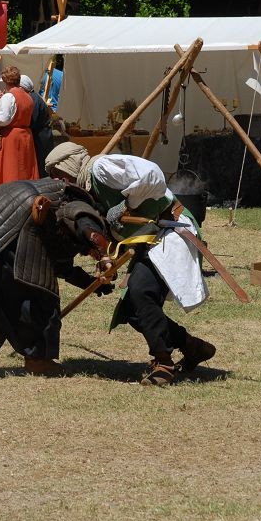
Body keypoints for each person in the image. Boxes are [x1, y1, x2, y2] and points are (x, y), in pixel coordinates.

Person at [45, 142, 216, 386]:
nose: (58, 180)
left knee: (140, 291)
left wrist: (127, 205)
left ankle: (164, 363)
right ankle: (192, 346)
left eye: (57, 173)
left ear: (69, 165)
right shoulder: (87, 188)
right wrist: (107, 259)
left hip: (170, 230)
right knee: (133, 311)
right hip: (149, 239)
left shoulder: (101, 168)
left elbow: (152, 174)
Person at [0, 178, 115, 384]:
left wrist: (90, 283)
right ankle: (38, 360)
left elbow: (62, 266)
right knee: (37, 301)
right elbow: (86, 225)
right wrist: (104, 256)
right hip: (16, 235)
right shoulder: (81, 204)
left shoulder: (59, 200)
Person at [0, 66, 38, 186]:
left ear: (5, 81)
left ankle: (10, 193)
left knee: (12, 169)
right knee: (24, 169)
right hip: (26, 136)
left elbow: (3, 119)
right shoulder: (28, 97)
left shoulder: (9, 96)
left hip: (12, 138)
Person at [20, 74, 54, 177]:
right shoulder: (33, 97)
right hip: (41, 134)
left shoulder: (32, 99)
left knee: (41, 164)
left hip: (41, 137)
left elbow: (32, 121)